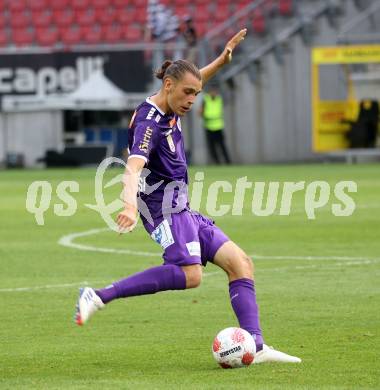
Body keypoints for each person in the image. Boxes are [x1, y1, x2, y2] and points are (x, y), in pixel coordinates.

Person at [74, 29, 301, 364]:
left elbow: (194, 79)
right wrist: (126, 204)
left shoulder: (173, 101)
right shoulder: (149, 123)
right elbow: (132, 166)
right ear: (168, 86)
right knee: (191, 274)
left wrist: (221, 62)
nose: (193, 99)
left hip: (181, 206)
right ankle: (98, 296)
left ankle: (257, 345)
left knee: (241, 264)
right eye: (188, 93)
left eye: (196, 93)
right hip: (161, 208)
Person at [199, 84, 231, 164]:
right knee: (212, 147)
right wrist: (204, 115)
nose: (214, 93)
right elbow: (200, 111)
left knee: (222, 146)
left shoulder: (219, 99)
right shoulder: (205, 99)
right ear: (209, 92)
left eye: (215, 91)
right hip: (208, 126)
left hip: (218, 126)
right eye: (212, 91)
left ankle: (228, 162)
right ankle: (217, 162)